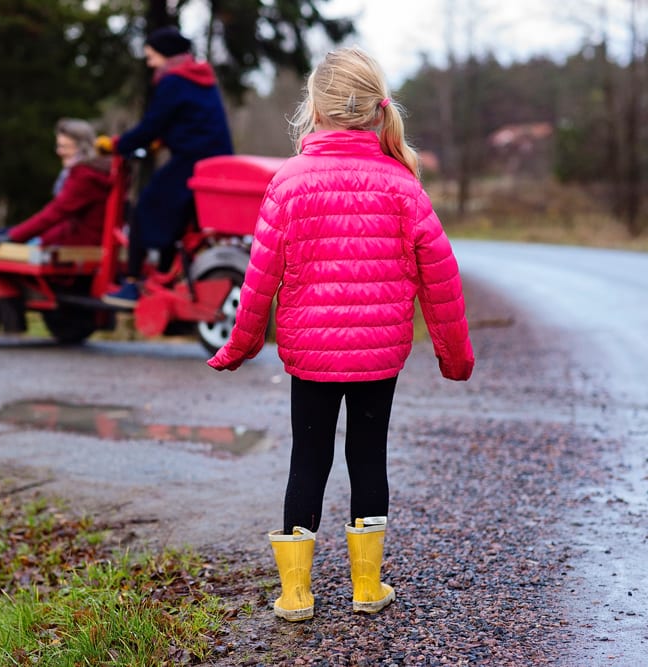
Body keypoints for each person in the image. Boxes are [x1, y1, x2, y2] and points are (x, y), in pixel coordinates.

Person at [207, 47, 474, 621]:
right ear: (377, 110)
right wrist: (455, 356)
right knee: (369, 456)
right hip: (380, 352)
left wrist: (240, 346)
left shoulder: (289, 182)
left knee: (308, 458)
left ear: (314, 109)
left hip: (310, 352)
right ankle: (365, 587)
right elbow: (442, 276)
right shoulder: (402, 184)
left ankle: (296, 594)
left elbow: (259, 279)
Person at [102, 26, 234, 307]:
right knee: (177, 220)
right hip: (215, 160)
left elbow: (153, 123)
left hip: (192, 160)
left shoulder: (173, 81)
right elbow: (188, 119)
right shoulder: (200, 77)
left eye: (152, 57)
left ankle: (133, 283)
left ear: (166, 55)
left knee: (144, 209)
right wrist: (162, 140)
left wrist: (117, 144)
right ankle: (165, 274)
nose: (149, 63)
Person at [0, 118, 111, 247]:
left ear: (81, 147)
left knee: (8, 235)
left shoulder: (84, 177)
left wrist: (15, 237)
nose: (58, 151)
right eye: (58, 146)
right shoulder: (94, 171)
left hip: (69, 240)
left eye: (64, 147)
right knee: (8, 232)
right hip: (68, 235)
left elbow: (55, 213)